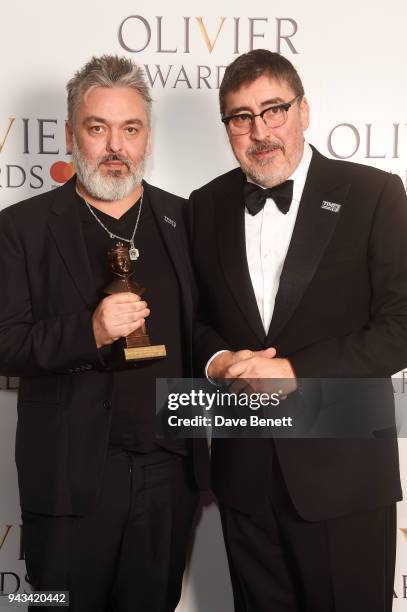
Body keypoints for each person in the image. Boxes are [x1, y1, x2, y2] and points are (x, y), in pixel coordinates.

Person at [189, 49, 407, 611]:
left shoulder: (375, 194)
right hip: (245, 480)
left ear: (304, 110)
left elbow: (401, 326)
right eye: (241, 117)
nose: (259, 131)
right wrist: (216, 363)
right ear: (227, 127)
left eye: (274, 110)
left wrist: (293, 371)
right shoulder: (204, 205)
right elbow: (195, 319)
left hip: (345, 480)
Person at [0, 54, 209, 612]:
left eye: (130, 129)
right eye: (98, 129)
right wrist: (88, 330)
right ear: (71, 134)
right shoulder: (20, 229)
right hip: (67, 485)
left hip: (170, 477)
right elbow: (6, 343)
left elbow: (209, 332)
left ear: (146, 137)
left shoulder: (186, 221)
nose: (116, 146)